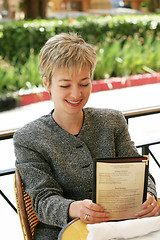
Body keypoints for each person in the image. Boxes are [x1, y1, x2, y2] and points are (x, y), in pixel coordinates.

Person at [13, 33, 159, 240]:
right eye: (65, 86)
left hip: (122, 227)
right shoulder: (29, 138)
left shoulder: (112, 121)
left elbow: (137, 169)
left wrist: (148, 195)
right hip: (62, 231)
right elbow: (42, 200)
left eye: (84, 84)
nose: (76, 94)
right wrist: (75, 208)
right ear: (47, 83)